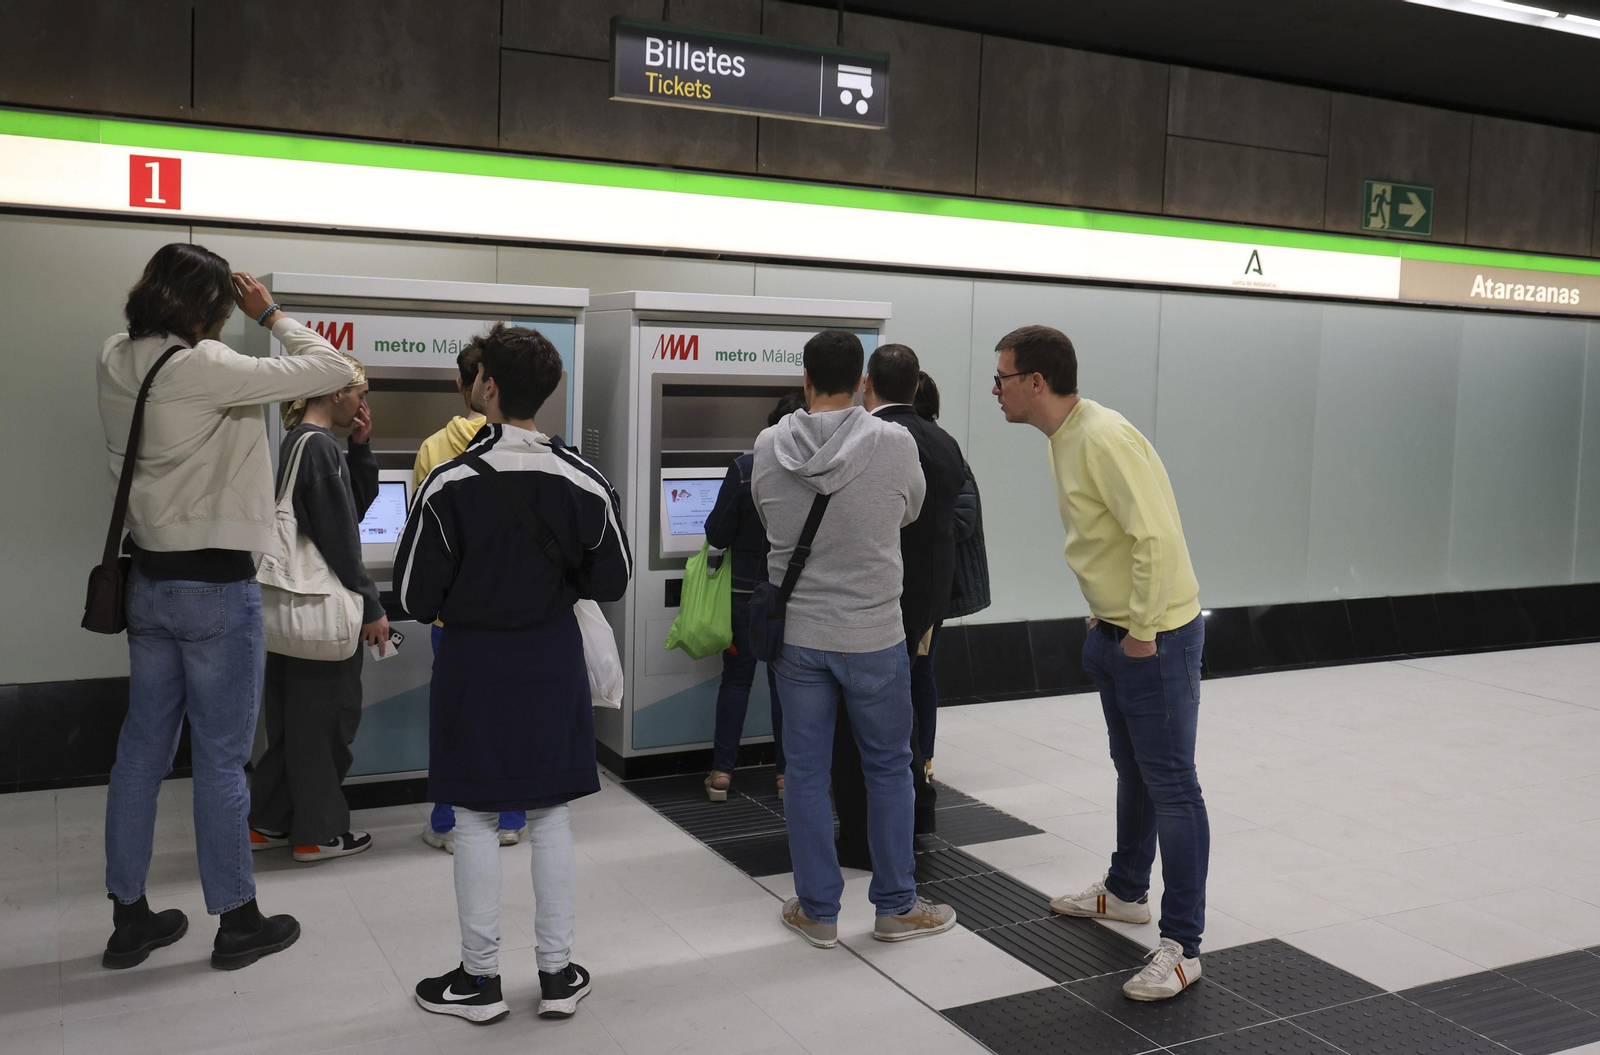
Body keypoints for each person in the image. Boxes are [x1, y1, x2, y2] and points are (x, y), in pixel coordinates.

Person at [96, 243, 355, 971]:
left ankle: (129, 917)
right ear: (209, 306)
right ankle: (238, 920)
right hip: (216, 588)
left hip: (148, 583)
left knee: (139, 752)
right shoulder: (207, 368)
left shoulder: (114, 356)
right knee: (218, 758)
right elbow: (335, 371)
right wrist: (268, 313)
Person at [394, 323, 631, 1024]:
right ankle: (558, 975)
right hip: (551, 657)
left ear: (486, 386)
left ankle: (480, 978)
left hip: (474, 661)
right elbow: (611, 575)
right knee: (552, 812)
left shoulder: (449, 480)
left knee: (471, 816)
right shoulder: (584, 477)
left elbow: (413, 595)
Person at [992, 324, 1207, 1002]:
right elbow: (1110, 537)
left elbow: (1155, 536)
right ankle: (1125, 892)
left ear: (1035, 381)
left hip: (1156, 638)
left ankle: (1183, 946)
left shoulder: (1103, 435)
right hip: (1115, 631)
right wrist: (1109, 613)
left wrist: (1140, 628)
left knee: (1173, 786)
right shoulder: (1067, 437)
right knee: (1134, 771)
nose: (994, 389)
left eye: (1001, 377)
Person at [752, 329, 956, 948]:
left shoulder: (768, 443)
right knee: (890, 768)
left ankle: (817, 912)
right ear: (863, 381)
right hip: (873, 634)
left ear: (806, 379)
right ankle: (895, 906)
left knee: (808, 772)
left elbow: (765, 514)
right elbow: (911, 510)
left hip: (800, 637)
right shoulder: (893, 441)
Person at [246, 356, 386, 863]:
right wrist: (372, 607)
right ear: (333, 393)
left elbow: (347, 510)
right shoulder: (321, 447)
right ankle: (318, 833)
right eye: (359, 393)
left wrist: (363, 449)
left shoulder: (297, 443)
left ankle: (269, 821)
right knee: (327, 724)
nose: (362, 403)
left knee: (291, 725)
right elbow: (342, 540)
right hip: (323, 611)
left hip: (290, 610)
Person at [832, 348, 964, 868]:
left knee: (858, 726)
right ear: (915, 387)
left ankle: (862, 836)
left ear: (868, 386)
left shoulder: (876, 440)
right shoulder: (945, 443)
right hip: (926, 603)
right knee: (902, 716)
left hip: (874, 602)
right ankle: (913, 818)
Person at [410, 335, 527, 852]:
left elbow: (422, 534)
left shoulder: (433, 449)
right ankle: (511, 817)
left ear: (463, 385)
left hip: (453, 617)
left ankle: (445, 822)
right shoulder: (526, 443)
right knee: (510, 714)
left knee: (454, 719)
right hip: (517, 612)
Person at [700, 391, 804, 803]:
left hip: (745, 594)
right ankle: (785, 776)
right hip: (792, 597)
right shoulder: (817, 470)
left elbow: (717, 532)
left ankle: (723, 773)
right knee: (785, 686)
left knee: (737, 680)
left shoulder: (745, 467)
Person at [912, 371, 991, 780]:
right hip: (922, 581)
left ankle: (923, 758)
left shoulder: (942, 451)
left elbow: (962, 519)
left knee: (921, 670)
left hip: (930, 584)